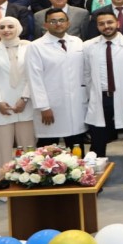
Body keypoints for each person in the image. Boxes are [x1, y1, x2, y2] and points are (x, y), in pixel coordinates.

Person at [83, 12, 123, 198]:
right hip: (100, 100)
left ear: (117, 22)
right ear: (97, 26)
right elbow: (86, 75)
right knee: (97, 146)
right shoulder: (88, 46)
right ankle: (94, 182)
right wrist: (90, 98)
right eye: (101, 23)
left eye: (110, 22)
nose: (106, 26)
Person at [0, 16, 35, 187]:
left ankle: (30, 183)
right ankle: (2, 185)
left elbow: (33, 74)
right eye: (2, 27)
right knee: (1, 149)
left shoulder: (30, 47)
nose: (6, 30)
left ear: (18, 28)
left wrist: (24, 98)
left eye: (10, 26)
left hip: (26, 104)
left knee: (28, 148)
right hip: (0, 106)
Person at [25, 8, 87, 151]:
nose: (58, 24)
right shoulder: (36, 46)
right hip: (51, 107)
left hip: (76, 105)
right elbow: (34, 79)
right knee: (47, 152)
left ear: (68, 23)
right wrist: (43, 107)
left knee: (76, 149)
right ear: (45, 25)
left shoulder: (77, 42)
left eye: (61, 20)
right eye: (53, 21)